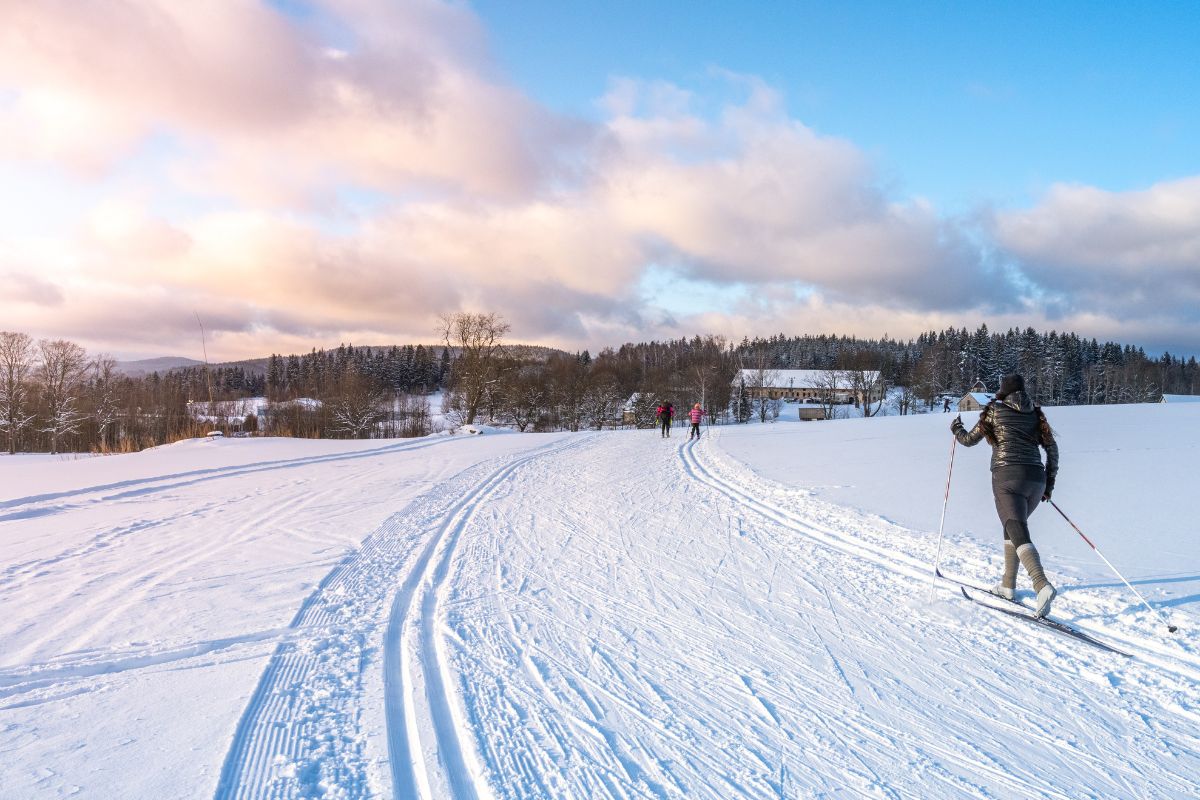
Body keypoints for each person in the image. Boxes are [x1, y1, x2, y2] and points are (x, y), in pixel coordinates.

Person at [952, 374, 1060, 617]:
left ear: (1003, 392)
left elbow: (969, 440)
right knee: (1012, 527)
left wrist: (956, 429)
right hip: (1036, 479)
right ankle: (1008, 585)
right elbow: (1052, 449)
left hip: (1007, 477)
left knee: (1016, 527)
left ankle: (1041, 584)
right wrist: (1049, 485)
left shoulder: (994, 411)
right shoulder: (1035, 413)